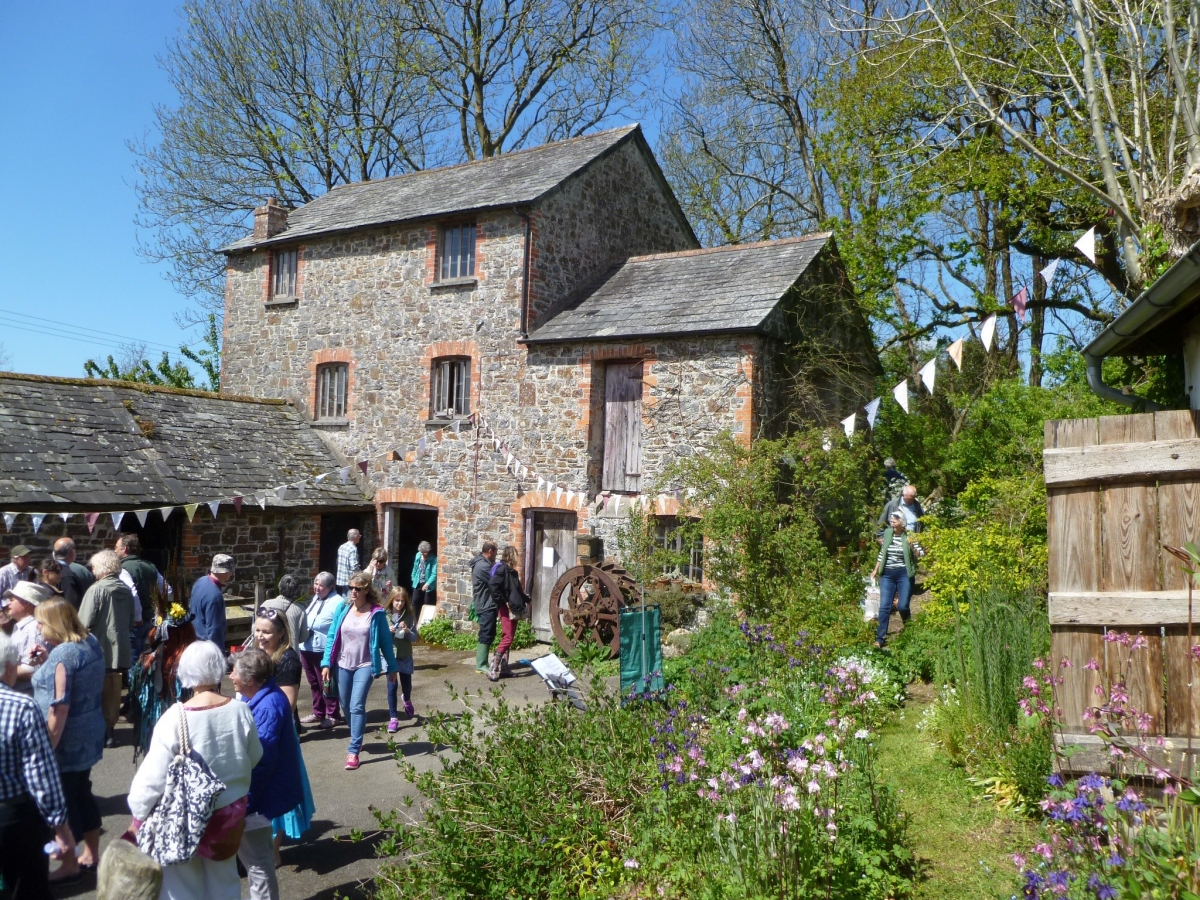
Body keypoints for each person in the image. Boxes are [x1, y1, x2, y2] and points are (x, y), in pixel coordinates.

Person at [127, 641, 262, 900]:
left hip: (183, 816)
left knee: (181, 885)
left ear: (185, 671)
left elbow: (152, 778)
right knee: (225, 881)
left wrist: (138, 815)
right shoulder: (240, 710)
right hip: (229, 813)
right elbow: (255, 756)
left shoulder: (174, 718)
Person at [31, 598, 106, 880]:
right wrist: (48, 658)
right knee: (82, 793)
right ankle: (91, 854)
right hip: (90, 732)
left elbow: (59, 707)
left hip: (66, 741)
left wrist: (47, 749)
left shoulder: (64, 655)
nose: (37, 627)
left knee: (63, 801)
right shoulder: (90, 642)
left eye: (40, 622)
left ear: (54, 623)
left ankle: (69, 863)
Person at [0, 629, 76, 898]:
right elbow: (40, 775)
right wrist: (61, 826)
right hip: (14, 817)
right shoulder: (22, 707)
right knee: (27, 889)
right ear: (9, 668)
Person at [231, 649, 303, 900]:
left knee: (258, 863)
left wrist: (244, 804)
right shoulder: (266, 697)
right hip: (262, 796)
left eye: (235, 672)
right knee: (257, 860)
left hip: (259, 799)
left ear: (250, 680)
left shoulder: (268, 707)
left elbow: (261, 764)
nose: (231, 677)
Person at [247, 616, 315, 862]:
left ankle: (273, 852)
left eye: (266, 632)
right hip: (254, 728)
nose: (260, 636)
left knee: (275, 791)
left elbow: (286, 703)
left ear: (281, 634)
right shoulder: (255, 653)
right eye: (257, 630)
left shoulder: (288, 660)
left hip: (278, 734)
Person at [320, 572, 399, 770]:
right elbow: (332, 636)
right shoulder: (343, 607)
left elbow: (385, 642)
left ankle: (353, 750)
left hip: (365, 665)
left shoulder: (376, 613)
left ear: (366, 589)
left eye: (357, 588)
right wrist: (326, 663)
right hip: (342, 664)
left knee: (357, 705)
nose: (353, 591)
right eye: (351, 587)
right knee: (345, 705)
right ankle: (357, 733)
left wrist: (392, 667)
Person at [78, 549, 136, 746]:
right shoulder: (126, 591)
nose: (92, 571)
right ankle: (110, 732)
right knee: (113, 692)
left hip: (97, 650)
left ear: (101, 568)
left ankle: (96, 732)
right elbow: (130, 623)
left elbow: (82, 623)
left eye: (94, 567)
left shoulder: (96, 590)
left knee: (94, 691)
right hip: (119, 651)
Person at [117, 534, 171, 659]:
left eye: (117, 548)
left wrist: (137, 617)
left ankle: (134, 679)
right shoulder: (150, 565)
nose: (115, 550)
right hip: (150, 620)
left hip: (135, 622)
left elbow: (133, 594)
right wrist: (158, 611)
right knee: (146, 658)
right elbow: (167, 590)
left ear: (125, 549)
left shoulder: (123, 568)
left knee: (133, 659)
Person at [298, 573, 341, 729]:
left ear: (330, 587)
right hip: (307, 647)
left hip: (322, 649)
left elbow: (337, 628)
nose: (317, 588)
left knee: (327, 682)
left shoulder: (338, 602)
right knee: (313, 682)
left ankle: (333, 714)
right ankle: (318, 712)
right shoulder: (316, 598)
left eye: (321, 585)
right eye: (316, 584)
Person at [872, 512, 919, 648]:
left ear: (902, 522)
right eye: (891, 521)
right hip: (887, 574)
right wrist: (876, 570)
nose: (892, 523)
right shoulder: (888, 534)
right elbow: (883, 552)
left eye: (894, 521)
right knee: (885, 606)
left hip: (904, 573)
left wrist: (912, 546)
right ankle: (880, 638)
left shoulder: (909, 536)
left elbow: (920, 554)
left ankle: (909, 629)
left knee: (902, 605)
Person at [487, 546, 530, 682]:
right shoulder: (502, 569)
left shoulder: (513, 572)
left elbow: (517, 591)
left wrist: (527, 599)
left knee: (508, 637)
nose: (518, 557)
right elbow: (493, 586)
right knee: (508, 638)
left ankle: (504, 668)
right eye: (516, 555)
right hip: (506, 608)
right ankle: (493, 668)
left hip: (515, 608)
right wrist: (503, 603)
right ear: (511, 556)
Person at [3, 581, 53, 695]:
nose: (8, 603)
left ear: (26, 603)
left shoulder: (33, 631)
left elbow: (32, 667)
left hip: (28, 695)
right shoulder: (21, 627)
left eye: (12, 600)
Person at [384, 587, 418, 732]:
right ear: (391, 600)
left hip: (404, 654)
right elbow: (376, 635)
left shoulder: (409, 615)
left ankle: (407, 699)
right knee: (392, 687)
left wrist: (408, 630)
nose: (399, 604)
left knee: (407, 686)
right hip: (390, 655)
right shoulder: (383, 615)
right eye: (397, 601)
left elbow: (415, 638)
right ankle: (393, 718)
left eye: (403, 601)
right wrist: (387, 630)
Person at [190, 553, 235, 652]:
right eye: (231, 571)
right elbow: (214, 630)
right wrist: (219, 655)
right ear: (225, 572)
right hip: (206, 648)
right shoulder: (215, 596)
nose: (231, 574)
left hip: (194, 642)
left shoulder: (200, 582)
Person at [257, 574, 310, 653]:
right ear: (296, 590)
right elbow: (303, 637)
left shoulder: (265, 605)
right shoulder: (300, 610)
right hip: (289, 655)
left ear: (279, 586)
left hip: (267, 652)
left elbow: (256, 628)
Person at [470, 541, 498, 674]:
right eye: (495, 553)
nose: (496, 556)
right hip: (485, 604)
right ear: (490, 551)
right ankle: (481, 664)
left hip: (487, 603)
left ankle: (483, 662)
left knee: (489, 632)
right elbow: (497, 580)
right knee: (486, 632)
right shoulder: (483, 566)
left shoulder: (484, 563)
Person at [410, 541, 437, 622]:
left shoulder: (434, 559)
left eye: (425, 552)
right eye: (422, 552)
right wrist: (413, 577)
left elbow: (434, 574)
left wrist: (428, 583)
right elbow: (415, 567)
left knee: (427, 602)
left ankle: (426, 621)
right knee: (414, 601)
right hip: (418, 581)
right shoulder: (418, 556)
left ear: (428, 551)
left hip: (428, 584)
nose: (423, 554)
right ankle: (413, 620)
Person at [335, 529, 361, 594]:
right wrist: (361, 572)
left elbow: (338, 561)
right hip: (349, 579)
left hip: (341, 578)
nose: (360, 536)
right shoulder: (353, 549)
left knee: (344, 596)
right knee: (349, 599)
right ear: (355, 536)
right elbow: (354, 567)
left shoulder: (342, 546)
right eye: (359, 535)